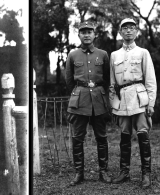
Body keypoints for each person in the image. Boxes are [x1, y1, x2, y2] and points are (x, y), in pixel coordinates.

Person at [109, 18, 156, 188]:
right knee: (124, 137)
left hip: (139, 98)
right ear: (120, 32)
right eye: (125, 28)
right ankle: (124, 172)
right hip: (122, 101)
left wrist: (150, 103)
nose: (128, 31)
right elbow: (112, 84)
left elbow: (150, 80)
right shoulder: (114, 55)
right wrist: (114, 105)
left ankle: (146, 173)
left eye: (132, 28)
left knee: (143, 135)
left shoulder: (143, 53)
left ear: (136, 32)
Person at [65, 21, 111, 186]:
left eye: (89, 32)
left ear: (94, 34)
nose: (86, 34)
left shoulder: (103, 54)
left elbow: (107, 78)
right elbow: (69, 80)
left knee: (101, 137)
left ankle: (103, 171)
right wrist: (81, 91)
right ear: (79, 35)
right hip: (79, 100)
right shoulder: (72, 55)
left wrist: (99, 91)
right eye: (83, 32)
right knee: (77, 138)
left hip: (99, 99)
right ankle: (79, 173)